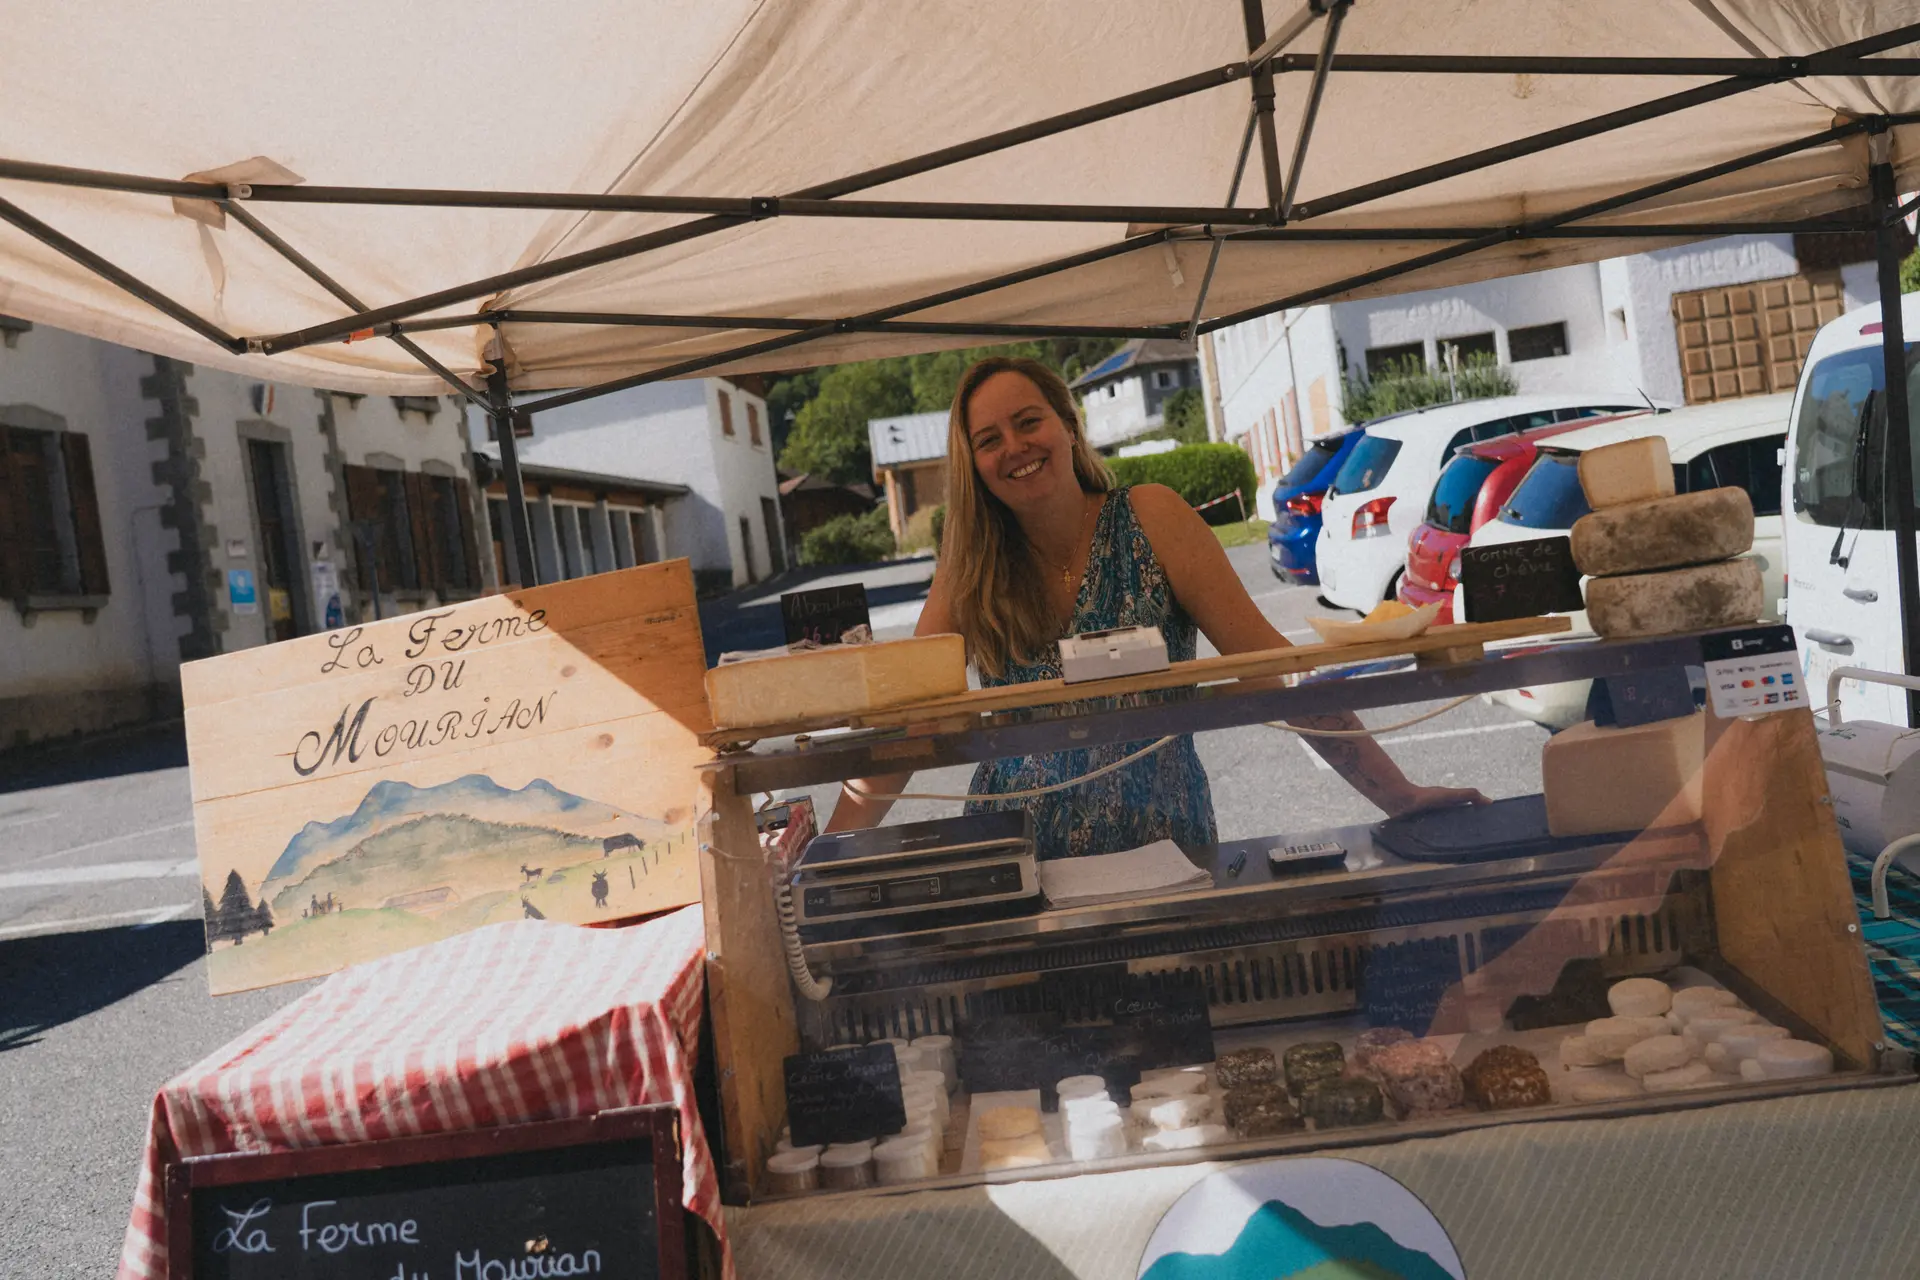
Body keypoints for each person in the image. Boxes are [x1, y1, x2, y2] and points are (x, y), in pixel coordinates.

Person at [827, 356, 1486, 859]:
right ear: (972, 463)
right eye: (989, 439)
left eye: (1028, 422)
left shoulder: (1151, 518)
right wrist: (824, 856)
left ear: (1068, 426)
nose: (1015, 447)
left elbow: (1273, 670)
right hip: (1018, 860)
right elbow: (914, 722)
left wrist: (1397, 794)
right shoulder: (969, 563)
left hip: (1164, 847)